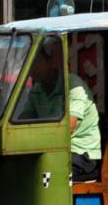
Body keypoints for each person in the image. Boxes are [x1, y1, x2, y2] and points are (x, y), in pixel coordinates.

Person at [17, 40, 101, 182]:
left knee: (42, 175)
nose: (31, 69)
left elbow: (69, 127)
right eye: (28, 65)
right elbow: (22, 120)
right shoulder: (36, 90)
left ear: (50, 62)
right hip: (52, 153)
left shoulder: (74, 86)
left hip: (81, 156)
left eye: (36, 63)